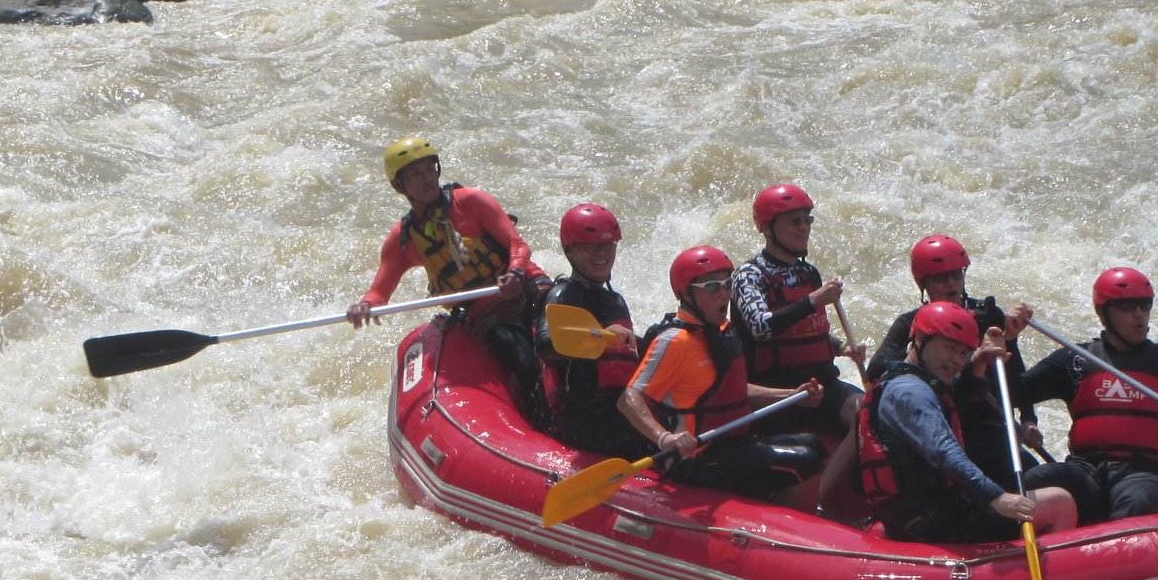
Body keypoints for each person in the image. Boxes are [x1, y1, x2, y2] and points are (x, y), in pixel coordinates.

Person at [348, 136, 552, 423]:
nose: (426, 178)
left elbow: (517, 245)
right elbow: (379, 292)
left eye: (430, 169)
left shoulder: (469, 201)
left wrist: (516, 272)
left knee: (560, 330)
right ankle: (547, 423)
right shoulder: (403, 240)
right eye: (415, 174)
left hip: (528, 285)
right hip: (488, 311)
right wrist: (365, 305)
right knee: (522, 359)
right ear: (400, 186)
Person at [620, 245, 828, 510]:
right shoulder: (673, 341)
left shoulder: (722, 330)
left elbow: (732, 389)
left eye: (727, 284)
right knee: (805, 462)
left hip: (731, 444)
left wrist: (791, 395)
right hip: (694, 457)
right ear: (685, 293)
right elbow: (629, 399)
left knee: (813, 444)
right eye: (711, 287)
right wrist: (665, 438)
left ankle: (782, 509)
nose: (724, 294)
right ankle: (801, 529)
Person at [854, 300, 1077, 544]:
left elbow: (956, 395)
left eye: (963, 352)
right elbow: (944, 452)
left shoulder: (911, 380)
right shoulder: (910, 393)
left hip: (925, 512)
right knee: (1060, 502)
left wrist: (979, 359)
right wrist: (997, 498)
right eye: (950, 348)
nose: (957, 360)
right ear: (919, 339)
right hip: (933, 522)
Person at [1019, 267, 1158, 523]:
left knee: (1134, 501)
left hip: (1146, 474)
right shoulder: (1075, 360)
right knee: (1032, 480)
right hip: (1087, 472)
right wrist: (1008, 338)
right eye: (1127, 306)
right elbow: (1013, 391)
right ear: (1103, 313)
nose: (1139, 314)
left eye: (1144, 305)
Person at [866, 233, 1041, 485]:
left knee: (1045, 476)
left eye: (956, 274)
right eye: (941, 277)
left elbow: (1014, 378)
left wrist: (1028, 419)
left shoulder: (988, 316)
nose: (952, 283)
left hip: (988, 423)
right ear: (923, 283)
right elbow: (877, 373)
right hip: (944, 423)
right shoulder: (911, 324)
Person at [730, 183, 866, 437]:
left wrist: (840, 348)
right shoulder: (749, 276)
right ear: (768, 228)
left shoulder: (807, 272)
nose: (804, 228)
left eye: (807, 220)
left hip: (821, 386)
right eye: (795, 221)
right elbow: (761, 328)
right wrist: (812, 300)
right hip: (777, 393)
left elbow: (804, 331)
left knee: (868, 415)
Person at [533, 202, 642, 457]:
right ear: (570, 251)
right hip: (580, 416)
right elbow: (546, 346)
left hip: (619, 407)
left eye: (608, 245)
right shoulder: (561, 295)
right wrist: (601, 338)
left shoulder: (615, 301)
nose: (602, 254)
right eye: (590, 247)